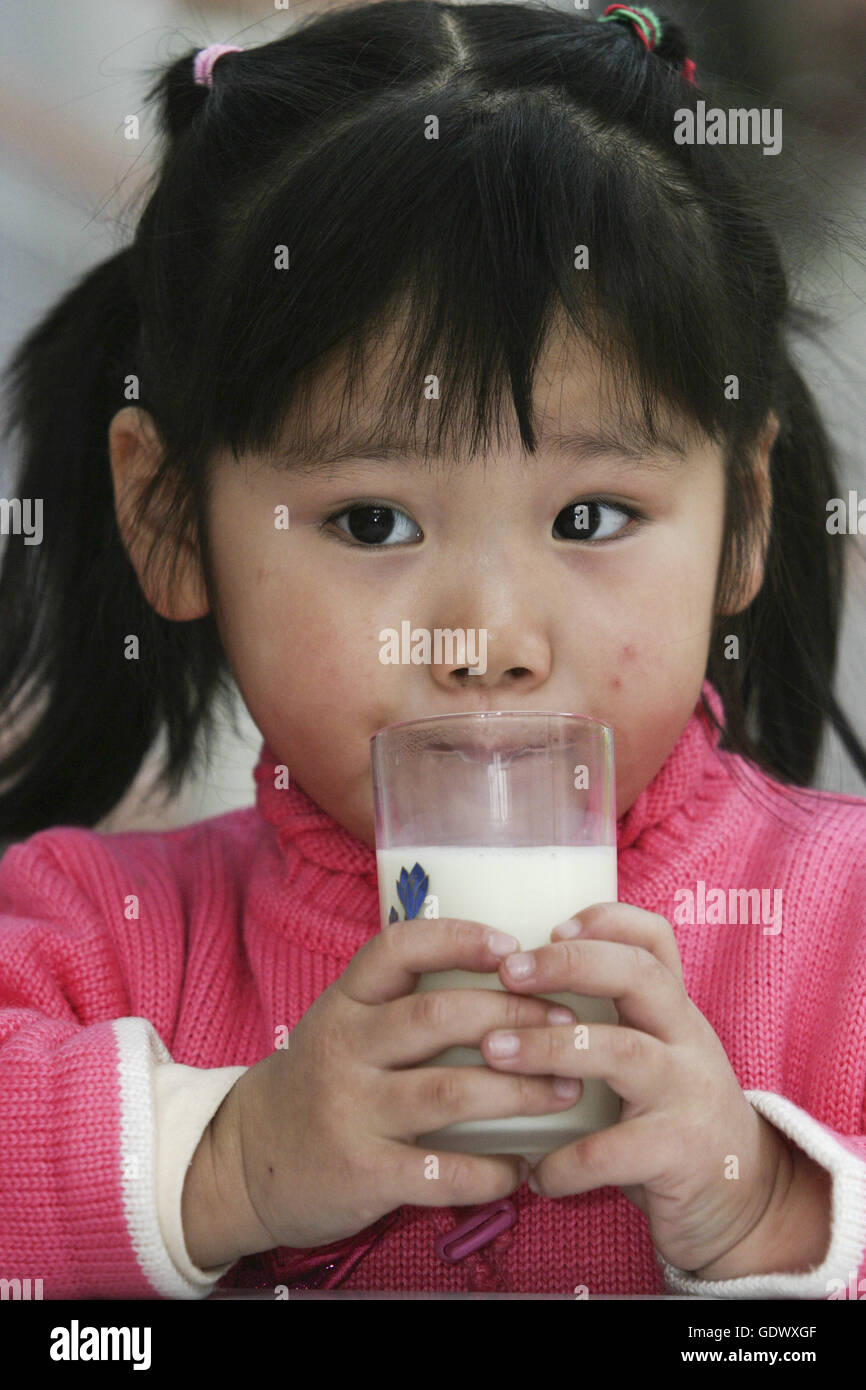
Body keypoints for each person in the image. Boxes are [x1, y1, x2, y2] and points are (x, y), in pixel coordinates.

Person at [0, 1, 864, 1299]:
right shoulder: (100, 944)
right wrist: (224, 1157)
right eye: (370, 519)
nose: (488, 639)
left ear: (740, 516)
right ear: (171, 520)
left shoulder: (842, 929)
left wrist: (769, 1203)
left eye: (590, 516)